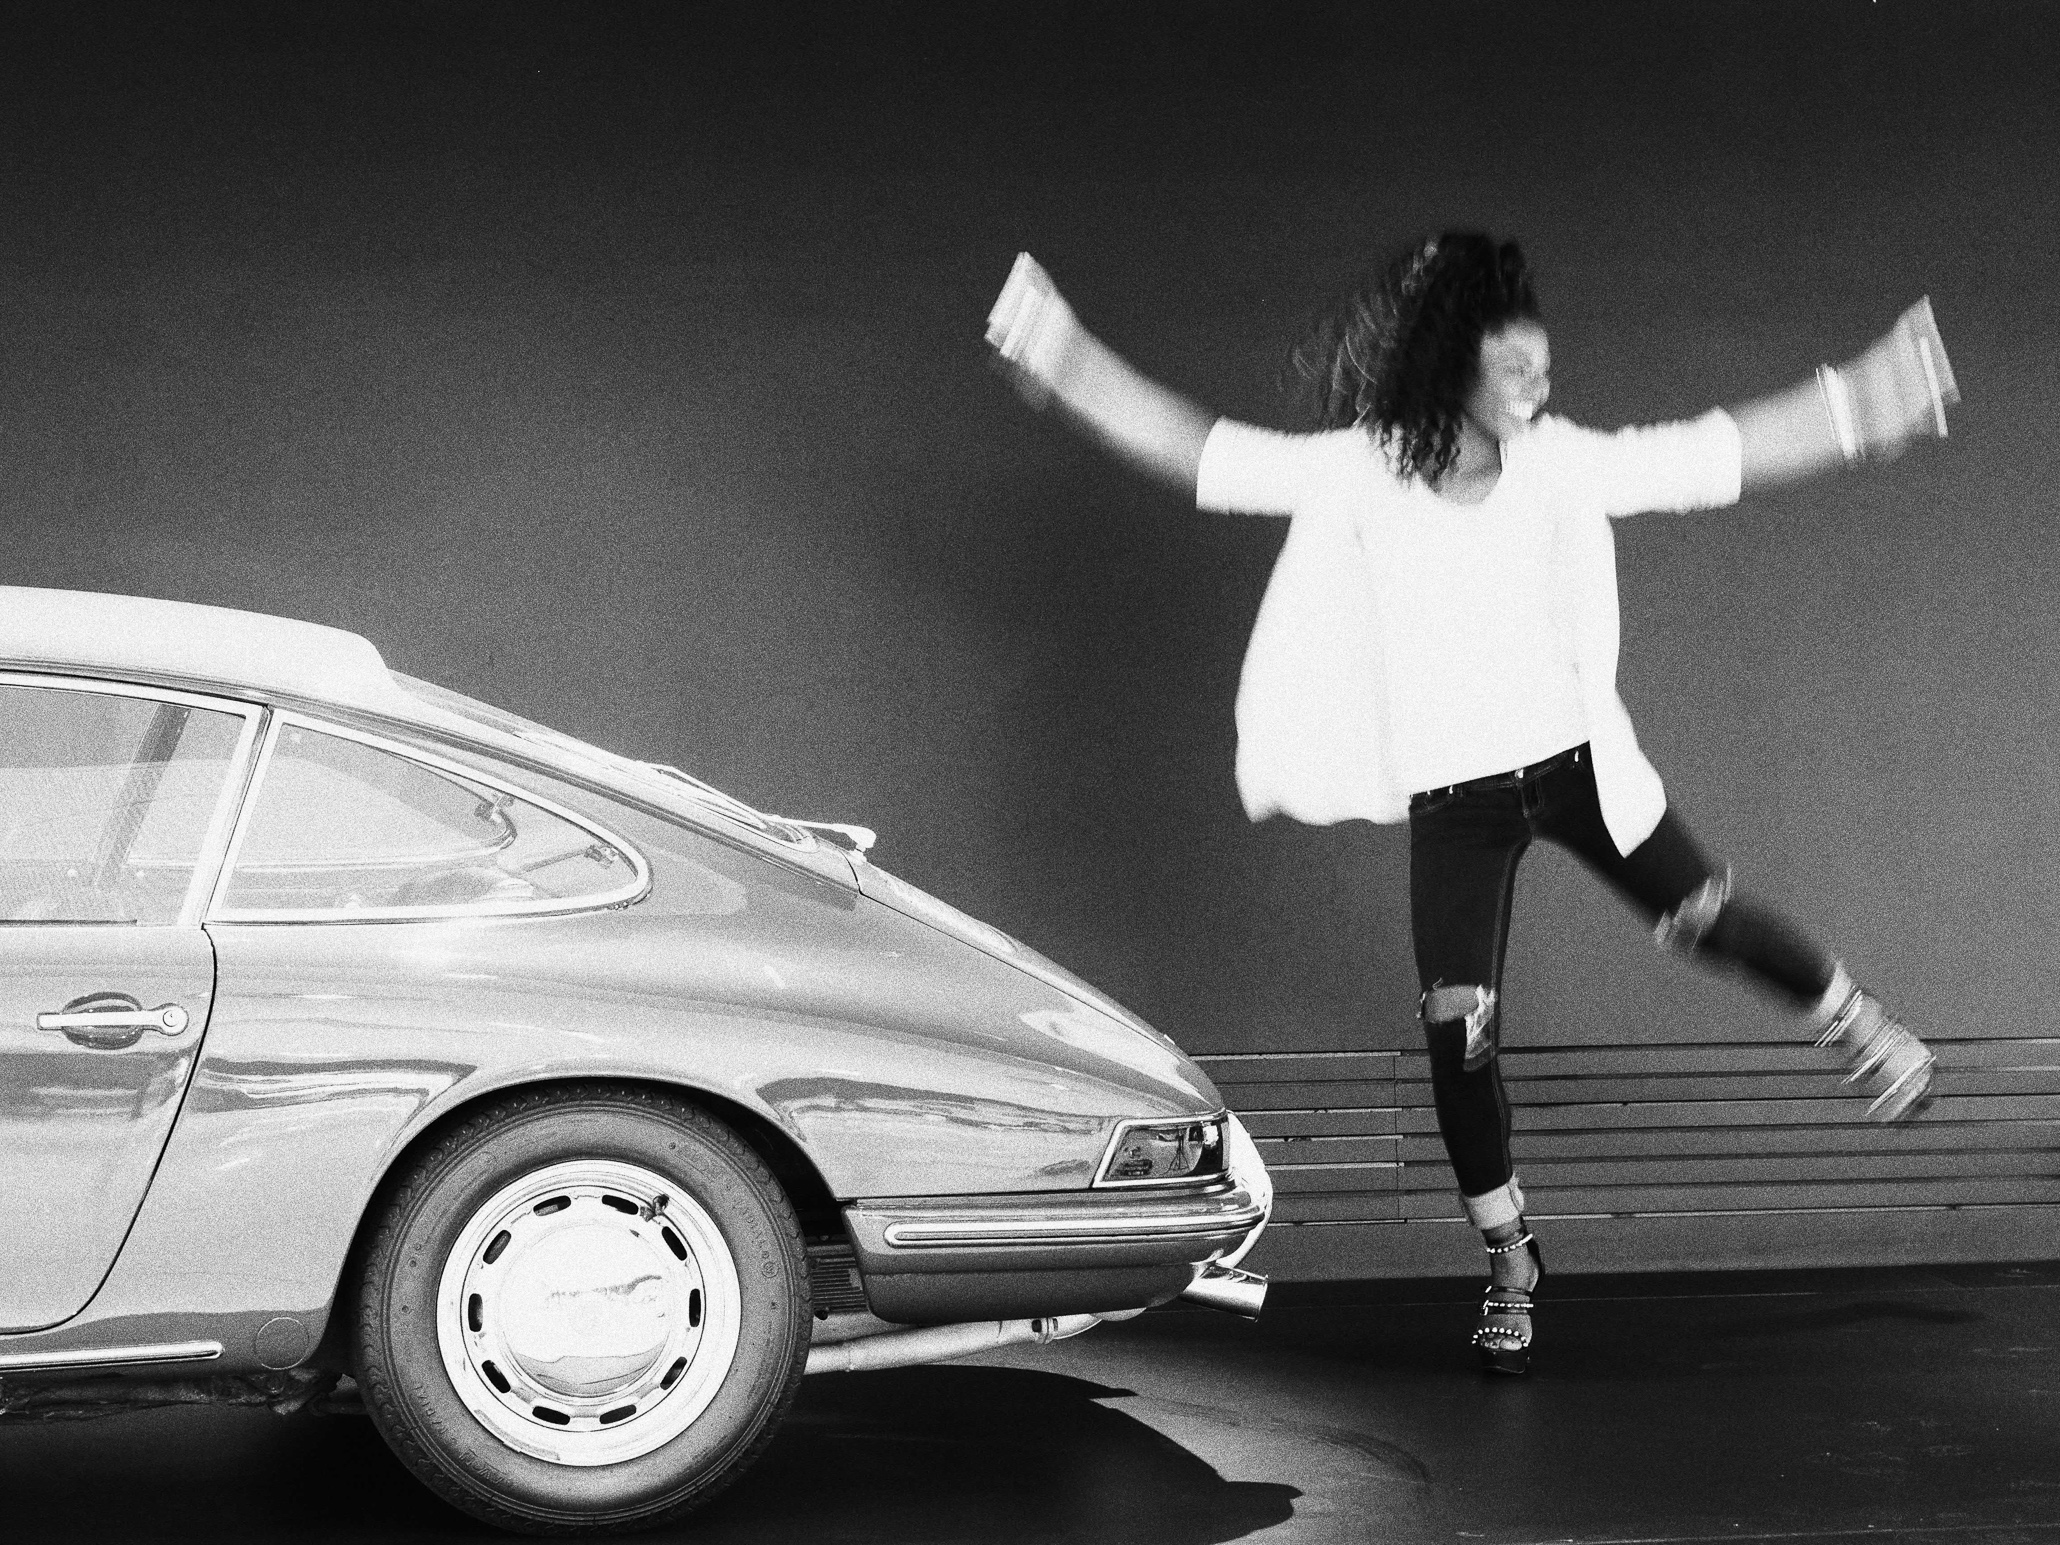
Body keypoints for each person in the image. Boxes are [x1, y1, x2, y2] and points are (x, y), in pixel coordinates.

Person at [983, 234, 1958, 1375]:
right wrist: (1060, 358)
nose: (1539, 392)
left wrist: (1863, 404)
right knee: (1456, 1033)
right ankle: (1509, 1259)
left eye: (1545, 372)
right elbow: (1200, 450)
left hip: (1578, 771)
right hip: (1459, 800)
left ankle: (1857, 1023)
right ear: (1451, 367)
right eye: (1516, 374)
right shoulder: (1358, 473)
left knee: (1701, 916)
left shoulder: (1559, 463)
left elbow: (1713, 453)